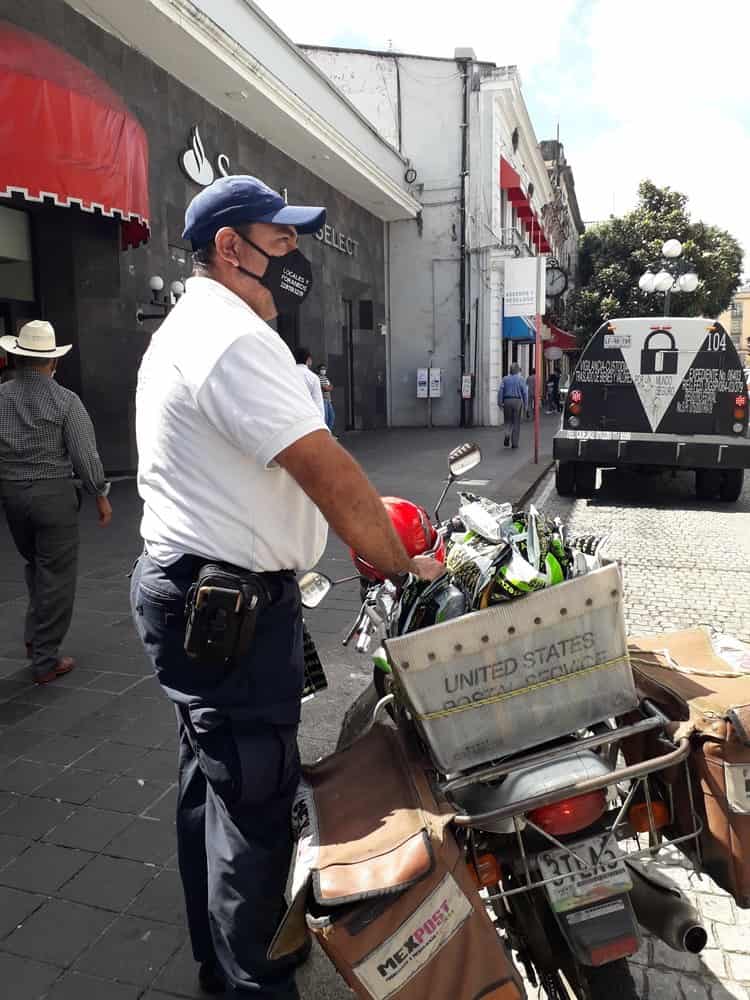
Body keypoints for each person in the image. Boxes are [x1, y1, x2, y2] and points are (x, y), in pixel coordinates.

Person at [129, 175, 444, 999]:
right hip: (224, 607)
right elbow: (332, 477)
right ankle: (253, 980)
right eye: (279, 239)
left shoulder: (207, 328)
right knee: (257, 814)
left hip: (195, 595)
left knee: (212, 784)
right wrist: (408, 564)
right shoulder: (228, 340)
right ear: (229, 249)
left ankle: (219, 959)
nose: (295, 254)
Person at [0, 320, 112, 685]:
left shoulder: (1, 397)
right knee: (57, 576)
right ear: (53, 363)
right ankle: (46, 659)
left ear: (15, 358)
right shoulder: (66, 400)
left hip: (13, 495)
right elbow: (85, 457)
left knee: (36, 564)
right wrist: (100, 495)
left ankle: (36, 637)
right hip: (53, 495)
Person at [497, 362, 528, 449]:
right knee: (516, 422)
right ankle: (514, 443)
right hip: (517, 401)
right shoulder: (521, 379)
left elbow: (500, 391)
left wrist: (499, 402)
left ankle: (507, 434)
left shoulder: (505, 379)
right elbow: (525, 393)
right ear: (517, 370)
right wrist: (526, 405)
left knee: (507, 421)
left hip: (507, 400)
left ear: (510, 370)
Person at [293, 345, 324, 418]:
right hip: (307, 417)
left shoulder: (287, 373)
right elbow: (318, 403)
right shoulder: (313, 377)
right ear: (308, 359)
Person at [318, 363, 334, 431]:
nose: (323, 370)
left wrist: (328, 387)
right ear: (319, 370)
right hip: (323, 400)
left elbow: (331, 387)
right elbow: (326, 388)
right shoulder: (318, 377)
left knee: (332, 416)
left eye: (324, 369)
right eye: (322, 369)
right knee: (326, 418)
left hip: (329, 400)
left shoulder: (326, 378)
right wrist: (328, 387)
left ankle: (329, 432)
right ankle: (326, 433)